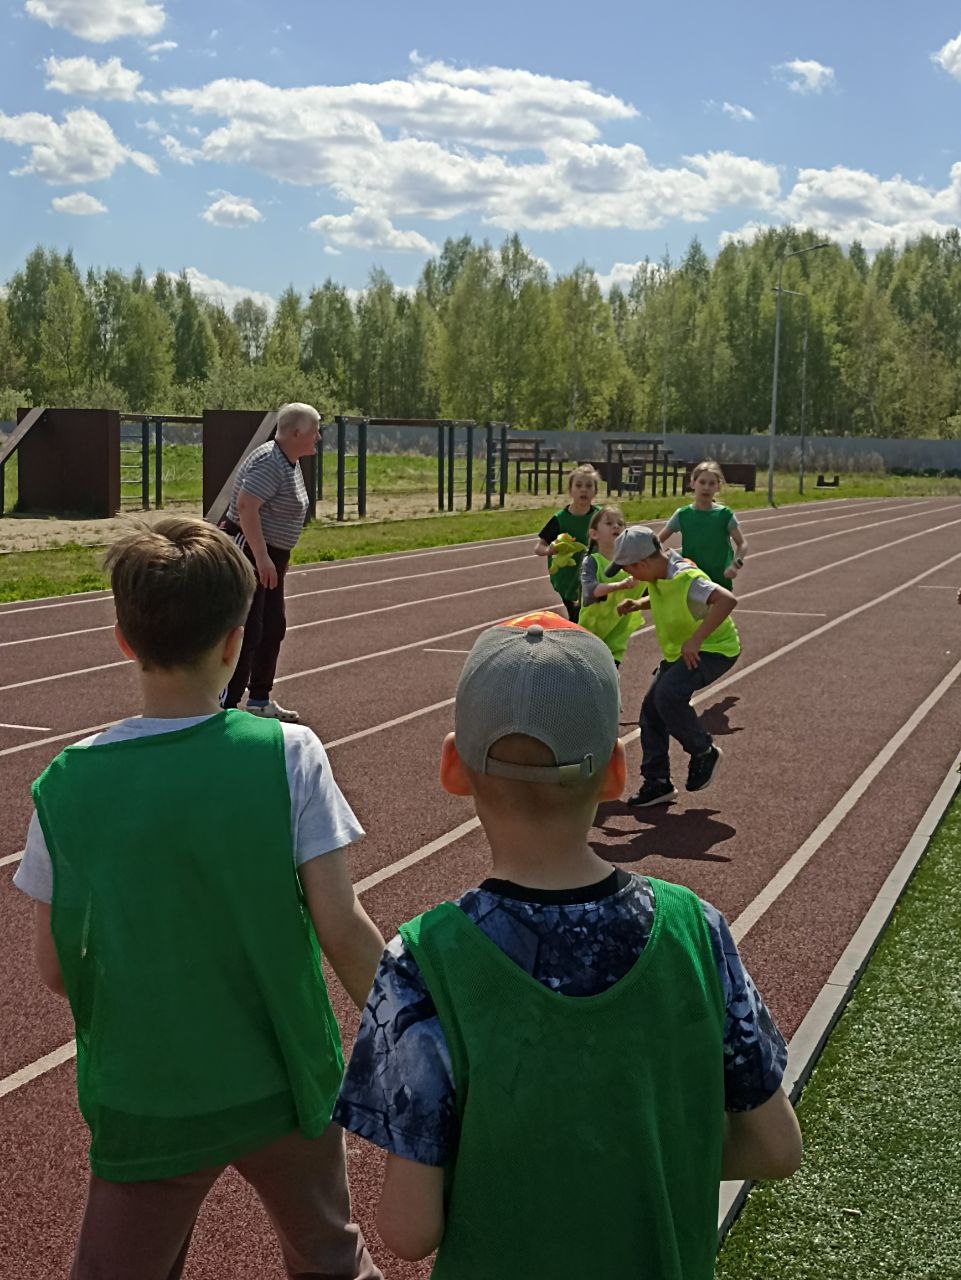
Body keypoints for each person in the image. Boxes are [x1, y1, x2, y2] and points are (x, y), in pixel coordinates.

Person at [333, 610, 801, 1278]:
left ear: (452, 766)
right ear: (615, 773)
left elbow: (409, 1230)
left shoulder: (421, 962)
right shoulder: (696, 930)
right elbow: (775, 1148)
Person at [14, 517, 384, 1280]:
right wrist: (418, 1026)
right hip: (283, 1078)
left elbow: (55, 968)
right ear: (234, 643)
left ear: (123, 639)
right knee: (331, 1257)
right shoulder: (287, 754)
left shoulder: (66, 784)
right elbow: (341, 926)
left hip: (149, 1092)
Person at [608, 525, 739, 806]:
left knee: (668, 695)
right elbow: (664, 596)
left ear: (643, 563)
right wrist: (638, 603)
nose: (630, 576)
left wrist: (696, 639)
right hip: (680, 653)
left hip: (715, 649)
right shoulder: (659, 573)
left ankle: (704, 751)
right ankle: (658, 782)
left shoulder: (686, 578)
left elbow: (727, 600)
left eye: (630, 570)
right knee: (651, 710)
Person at [220, 401, 322, 723]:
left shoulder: (288, 460)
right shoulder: (269, 461)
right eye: (315, 430)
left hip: (269, 556)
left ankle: (259, 700)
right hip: (249, 551)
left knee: (272, 627)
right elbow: (246, 507)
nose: (319, 437)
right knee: (248, 629)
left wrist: (278, 557)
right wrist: (262, 556)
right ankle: (225, 705)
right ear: (296, 433)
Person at [659, 460, 748, 587]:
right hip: (692, 580)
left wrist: (735, 565)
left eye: (711, 483)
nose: (706, 487)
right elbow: (657, 541)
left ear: (718, 487)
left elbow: (742, 543)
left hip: (719, 580)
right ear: (692, 483)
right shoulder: (682, 515)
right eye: (702, 482)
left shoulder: (725, 515)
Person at [578, 504, 647, 665]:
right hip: (590, 637)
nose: (616, 526)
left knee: (608, 678)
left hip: (616, 642)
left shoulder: (635, 564)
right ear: (594, 534)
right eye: (609, 523)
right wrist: (620, 585)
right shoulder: (592, 562)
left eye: (620, 524)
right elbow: (591, 591)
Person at [533, 464, 602, 621]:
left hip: (595, 576)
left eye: (588, 486)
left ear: (595, 491)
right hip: (568, 579)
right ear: (570, 490)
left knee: (590, 617)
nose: (583, 490)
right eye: (578, 485)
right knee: (578, 618)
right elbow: (539, 547)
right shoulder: (560, 519)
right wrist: (549, 550)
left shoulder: (601, 516)